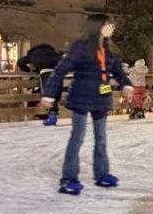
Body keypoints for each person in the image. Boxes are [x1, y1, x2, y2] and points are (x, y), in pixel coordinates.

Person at [40, 14, 133, 195]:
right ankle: (69, 178)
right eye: (108, 25)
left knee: (101, 138)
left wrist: (127, 84)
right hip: (82, 97)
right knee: (77, 138)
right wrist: (50, 95)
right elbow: (60, 71)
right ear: (97, 27)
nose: (111, 28)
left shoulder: (109, 50)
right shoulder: (80, 48)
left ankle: (102, 173)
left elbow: (118, 72)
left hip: (101, 99)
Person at [18, 43, 63, 126]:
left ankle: (48, 117)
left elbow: (20, 62)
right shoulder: (53, 53)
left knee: (46, 94)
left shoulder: (33, 54)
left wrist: (29, 70)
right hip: (56, 74)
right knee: (54, 95)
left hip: (44, 73)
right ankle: (52, 116)